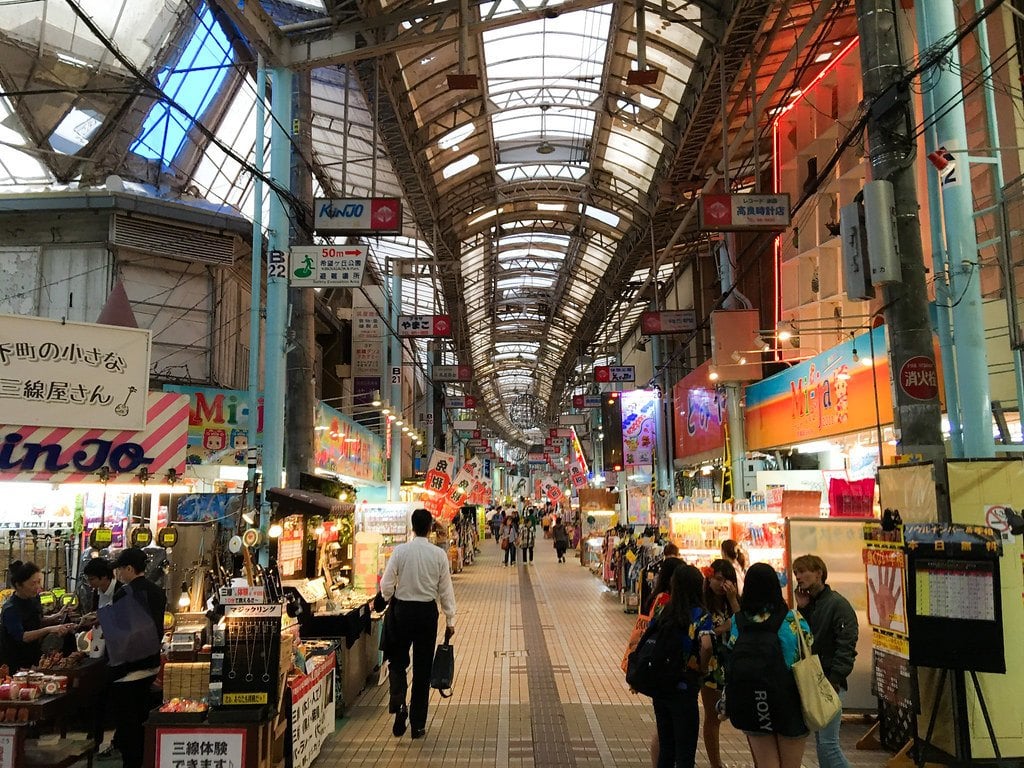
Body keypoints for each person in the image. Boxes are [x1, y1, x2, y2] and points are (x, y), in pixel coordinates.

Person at [379, 508, 456, 740]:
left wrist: (386, 596)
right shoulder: (438, 555)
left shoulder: (401, 551)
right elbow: (446, 591)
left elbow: (386, 585)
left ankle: (399, 703)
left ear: (412, 527)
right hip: (426, 614)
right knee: (423, 670)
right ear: (431, 527)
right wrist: (450, 620)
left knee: (398, 661)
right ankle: (418, 725)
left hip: (402, 612)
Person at [726, 562, 811, 768]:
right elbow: (803, 652)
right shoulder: (791, 619)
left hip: (753, 701)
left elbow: (731, 651)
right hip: (788, 701)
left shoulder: (738, 621)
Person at [793, 554, 858, 768]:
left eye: (803, 572)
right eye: (796, 573)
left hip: (829, 681)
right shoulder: (813, 605)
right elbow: (805, 639)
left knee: (828, 746)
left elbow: (846, 645)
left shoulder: (837, 605)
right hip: (817, 681)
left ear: (819, 573)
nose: (798, 577)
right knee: (823, 744)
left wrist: (835, 679)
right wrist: (802, 607)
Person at [106, 548, 167, 768]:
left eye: (120, 570)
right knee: (145, 718)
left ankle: (131, 762)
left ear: (129, 568)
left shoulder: (125, 593)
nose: (119, 575)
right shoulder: (158, 592)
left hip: (129, 669)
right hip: (151, 664)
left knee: (128, 723)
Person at [648, 564, 713, 768]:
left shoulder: (664, 610)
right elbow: (707, 645)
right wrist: (701, 666)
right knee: (685, 753)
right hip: (685, 688)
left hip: (661, 687)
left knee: (666, 750)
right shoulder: (700, 615)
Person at [0, 561, 76, 672]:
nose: (37, 587)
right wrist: (50, 629)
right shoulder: (10, 609)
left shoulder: (34, 598)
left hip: (34, 655)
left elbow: (37, 620)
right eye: (32, 584)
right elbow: (23, 637)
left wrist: (58, 616)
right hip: (16, 662)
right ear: (18, 585)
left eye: (39, 582)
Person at [700, 559, 740, 768]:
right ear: (709, 578)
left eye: (728, 580)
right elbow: (699, 633)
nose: (723, 585)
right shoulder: (702, 603)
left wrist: (733, 599)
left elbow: (744, 625)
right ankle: (716, 764)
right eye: (718, 579)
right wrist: (723, 628)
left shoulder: (732, 602)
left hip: (734, 666)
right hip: (712, 667)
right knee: (713, 716)